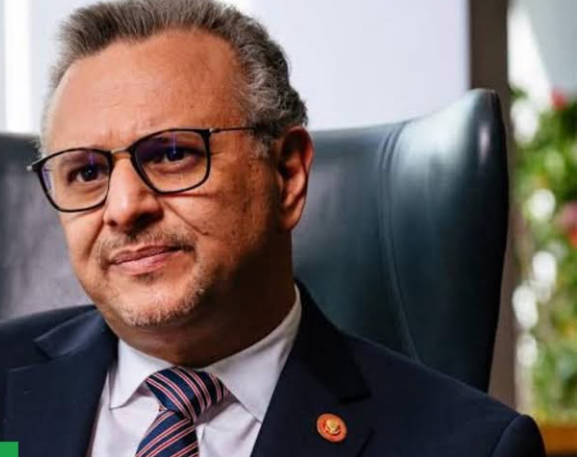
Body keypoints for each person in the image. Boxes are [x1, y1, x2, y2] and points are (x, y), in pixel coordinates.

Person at [0, 0, 545, 456]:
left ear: (286, 175)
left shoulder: (471, 446)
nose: (123, 208)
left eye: (172, 155)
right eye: (86, 172)